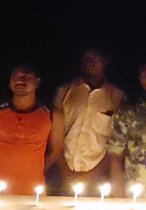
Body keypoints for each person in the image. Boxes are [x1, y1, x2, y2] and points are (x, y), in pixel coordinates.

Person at [0, 66, 63, 195]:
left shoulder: (52, 114)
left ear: (37, 82)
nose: (20, 80)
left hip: (34, 189)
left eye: (26, 76)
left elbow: (56, 151)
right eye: (16, 76)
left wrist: (33, 169)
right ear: (10, 82)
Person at [53, 49, 125, 189]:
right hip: (62, 173)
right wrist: (64, 171)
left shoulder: (117, 97)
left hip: (99, 178)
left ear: (106, 60)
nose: (90, 61)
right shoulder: (64, 91)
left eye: (96, 57)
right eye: (87, 57)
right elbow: (55, 136)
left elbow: (117, 143)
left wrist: (93, 175)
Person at [108, 62, 146, 198]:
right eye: (144, 74)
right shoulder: (128, 111)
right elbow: (115, 155)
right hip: (137, 194)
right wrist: (118, 195)